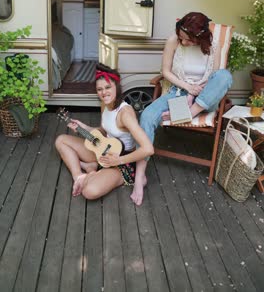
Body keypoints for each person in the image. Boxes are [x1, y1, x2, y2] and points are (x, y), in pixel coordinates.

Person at [130, 12, 233, 206]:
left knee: (225, 76)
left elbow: (215, 77)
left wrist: (194, 98)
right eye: (181, 38)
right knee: (147, 115)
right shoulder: (173, 41)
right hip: (178, 92)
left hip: (204, 99)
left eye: (187, 40)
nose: (183, 42)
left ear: (199, 38)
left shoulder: (213, 46)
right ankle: (140, 176)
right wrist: (187, 90)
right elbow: (166, 72)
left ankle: (190, 112)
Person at [55, 63, 154, 200]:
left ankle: (91, 170)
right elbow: (105, 130)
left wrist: (118, 160)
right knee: (61, 140)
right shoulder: (107, 106)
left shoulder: (125, 113)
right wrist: (84, 127)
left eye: (108, 87)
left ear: (117, 87)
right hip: (103, 150)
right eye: (99, 89)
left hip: (122, 162)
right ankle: (79, 176)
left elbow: (148, 149)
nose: (103, 92)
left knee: (89, 191)